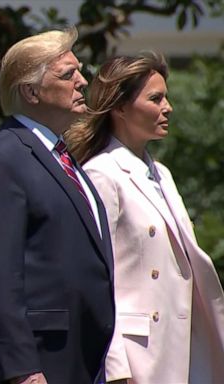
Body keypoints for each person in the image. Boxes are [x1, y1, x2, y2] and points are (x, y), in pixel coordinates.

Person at [0, 27, 115, 384]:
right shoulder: (1, 158)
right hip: (42, 362)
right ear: (30, 91)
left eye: (80, 70)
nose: (82, 81)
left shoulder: (62, 157)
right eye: (68, 74)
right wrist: (21, 368)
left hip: (83, 357)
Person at [66, 52, 224, 383]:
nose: (168, 108)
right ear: (120, 107)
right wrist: (116, 370)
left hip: (185, 348)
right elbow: (98, 280)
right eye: (155, 98)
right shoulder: (101, 174)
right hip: (139, 359)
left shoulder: (162, 173)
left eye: (166, 97)